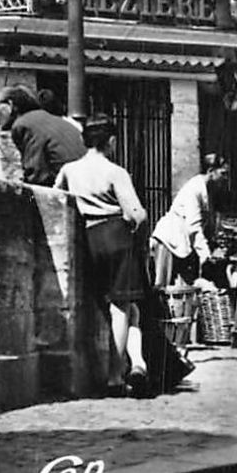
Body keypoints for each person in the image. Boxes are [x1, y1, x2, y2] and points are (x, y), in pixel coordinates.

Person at [54, 116, 151, 397]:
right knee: (121, 306)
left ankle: (136, 365)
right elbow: (136, 213)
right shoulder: (115, 171)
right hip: (117, 236)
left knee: (120, 308)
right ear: (111, 141)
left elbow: (55, 199)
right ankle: (115, 375)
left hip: (87, 238)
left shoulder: (69, 170)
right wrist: (139, 234)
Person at [151, 153, 226, 289]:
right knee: (163, 288)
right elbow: (194, 227)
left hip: (182, 244)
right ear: (210, 171)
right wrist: (206, 256)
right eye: (223, 173)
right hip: (170, 241)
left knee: (181, 290)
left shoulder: (208, 189)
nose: (225, 178)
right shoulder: (194, 189)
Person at [0, 85, 84, 187]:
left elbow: (36, 172)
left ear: (10, 104)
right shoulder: (49, 119)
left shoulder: (23, 124)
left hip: (68, 186)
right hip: (81, 181)